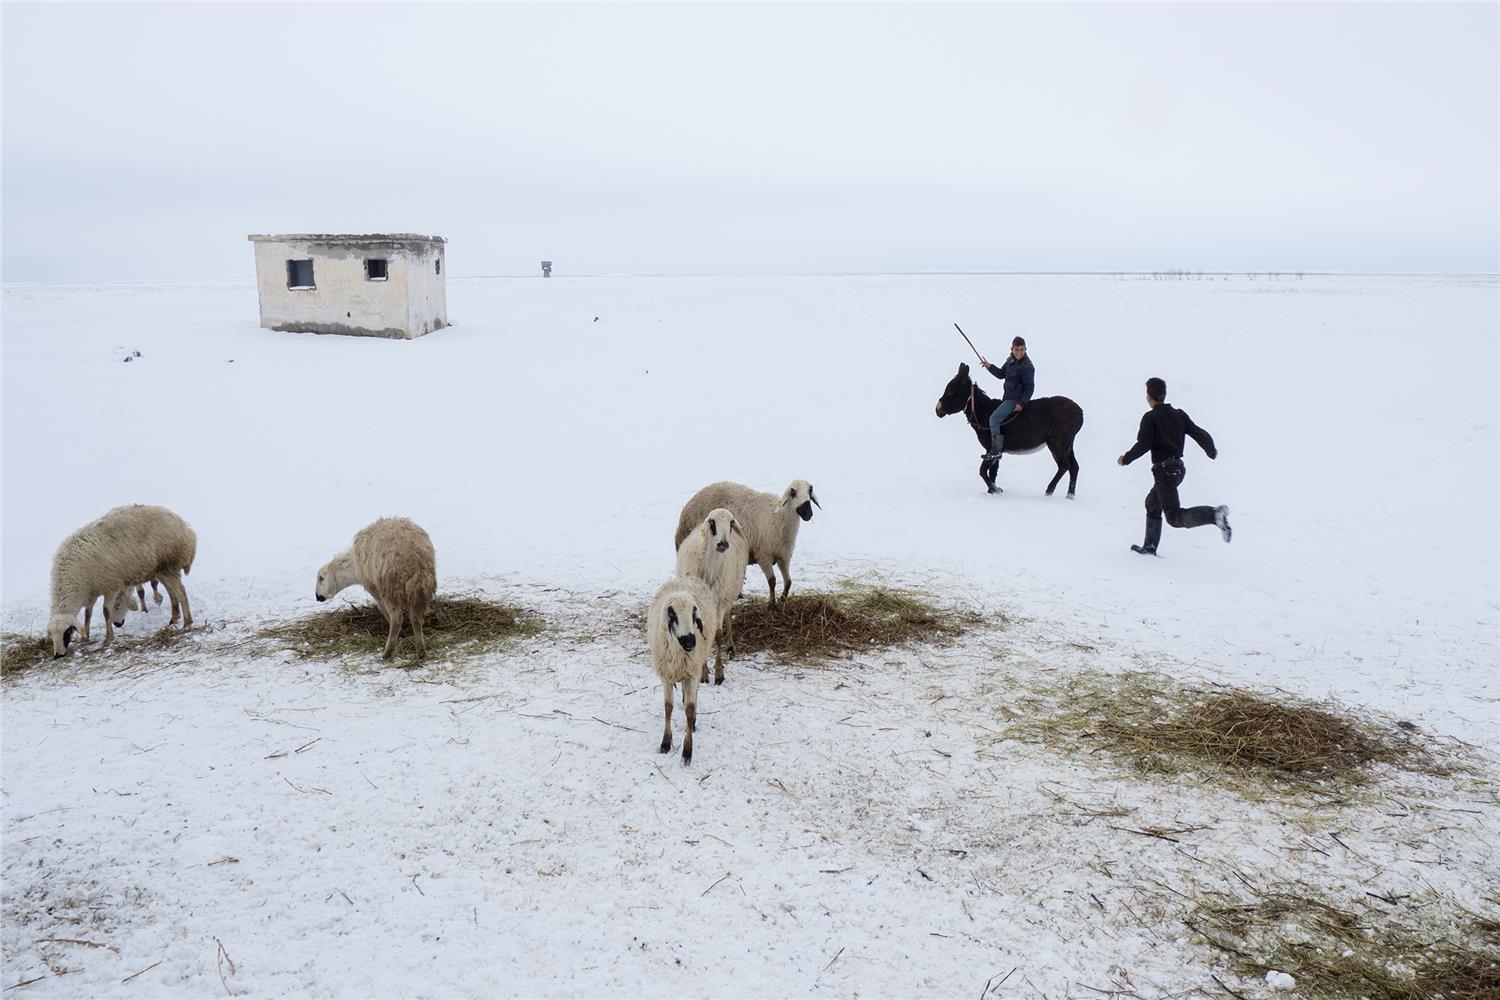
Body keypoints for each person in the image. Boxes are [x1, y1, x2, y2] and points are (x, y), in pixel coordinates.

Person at [1116, 377, 1231, 555]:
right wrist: (1211, 449)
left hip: (1164, 471)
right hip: (1177, 469)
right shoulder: (1179, 414)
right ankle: (1149, 547)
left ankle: (1214, 515)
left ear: (1149, 397)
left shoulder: (1150, 417)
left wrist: (1126, 459)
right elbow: (1198, 432)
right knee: (1152, 503)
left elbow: (1143, 444)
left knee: (1174, 517)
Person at [977, 336, 1034, 460]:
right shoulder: (1010, 361)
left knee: (994, 419)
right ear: (1011, 349)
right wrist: (989, 366)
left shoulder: (1027, 366)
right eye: (1016, 349)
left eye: (1022, 350)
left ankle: (996, 451)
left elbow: (1030, 388)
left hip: (1015, 400)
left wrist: (1021, 403)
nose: (1019, 353)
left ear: (1026, 349)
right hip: (1007, 398)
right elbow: (1001, 374)